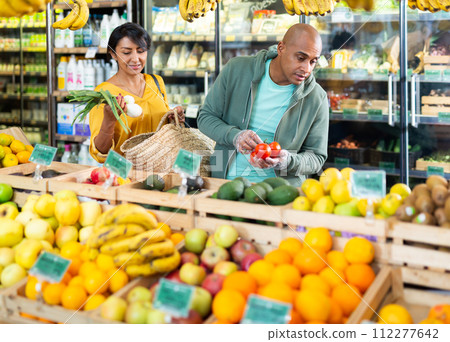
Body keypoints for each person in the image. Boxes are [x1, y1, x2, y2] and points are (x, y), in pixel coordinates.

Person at [197, 23, 329, 186]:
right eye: (301, 58)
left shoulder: (317, 98)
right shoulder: (237, 69)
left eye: (313, 62)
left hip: (282, 194)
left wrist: (288, 161)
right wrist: (235, 136)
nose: (306, 69)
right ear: (281, 48)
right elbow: (205, 117)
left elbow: (317, 157)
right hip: (225, 185)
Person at [89, 23, 184, 163]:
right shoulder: (105, 93)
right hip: (124, 175)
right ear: (113, 54)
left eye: (141, 51)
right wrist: (109, 121)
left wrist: (174, 119)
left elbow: (163, 130)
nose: (135, 58)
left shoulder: (156, 82)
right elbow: (100, 153)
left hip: (160, 171)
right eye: (127, 52)